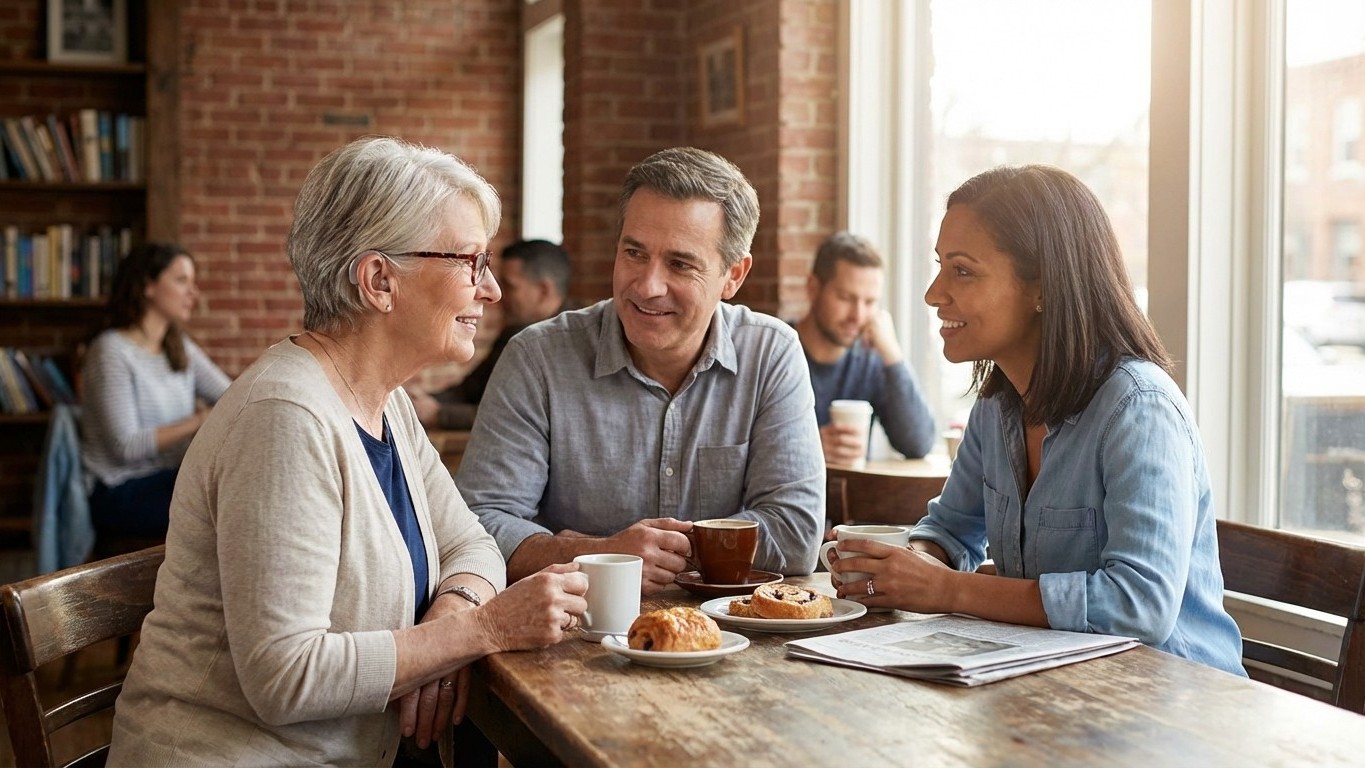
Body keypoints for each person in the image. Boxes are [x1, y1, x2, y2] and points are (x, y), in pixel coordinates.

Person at [108, 136, 590, 766]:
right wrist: (485, 630)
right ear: (379, 280)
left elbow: (470, 543)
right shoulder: (286, 418)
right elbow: (287, 674)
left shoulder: (385, 401)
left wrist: (451, 619)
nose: (491, 290)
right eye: (470, 261)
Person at [826, 165, 1245, 675]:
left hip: (1173, 709)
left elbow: (1140, 607)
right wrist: (905, 564)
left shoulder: (1139, 408)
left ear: (1042, 287)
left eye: (962, 270)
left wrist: (948, 588)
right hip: (1054, 686)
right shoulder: (997, 407)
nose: (933, 294)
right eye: (940, 267)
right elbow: (953, 530)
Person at [457, 146, 825, 595]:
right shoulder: (538, 357)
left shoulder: (770, 353)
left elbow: (794, 535)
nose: (648, 287)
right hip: (570, 634)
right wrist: (606, 551)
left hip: (738, 639)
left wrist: (645, 551)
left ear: (734, 276)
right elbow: (478, 525)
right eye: (634, 253)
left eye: (680, 264)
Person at [80, 242, 231, 540]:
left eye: (193, 282)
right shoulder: (111, 350)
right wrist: (199, 420)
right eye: (181, 280)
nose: (193, 292)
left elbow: (233, 394)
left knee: (240, 489)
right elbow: (124, 447)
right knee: (226, 509)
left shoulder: (178, 346)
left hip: (170, 479)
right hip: (120, 491)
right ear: (148, 286)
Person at [794, 231, 936, 462]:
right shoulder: (775, 351)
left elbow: (918, 443)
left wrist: (892, 354)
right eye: (846, 298)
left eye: (870, 302)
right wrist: (804, 448)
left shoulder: (870, 362)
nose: (858, 316)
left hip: (855, 497)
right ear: (812, 288)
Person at [410, 238, 573, 430]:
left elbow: (519, 417)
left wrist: (440, 414)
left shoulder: (570, 344)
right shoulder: (514, 334)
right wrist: (417, 401)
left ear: (543, 291)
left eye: (510, 286)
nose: (497, 294)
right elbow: (469, 390)